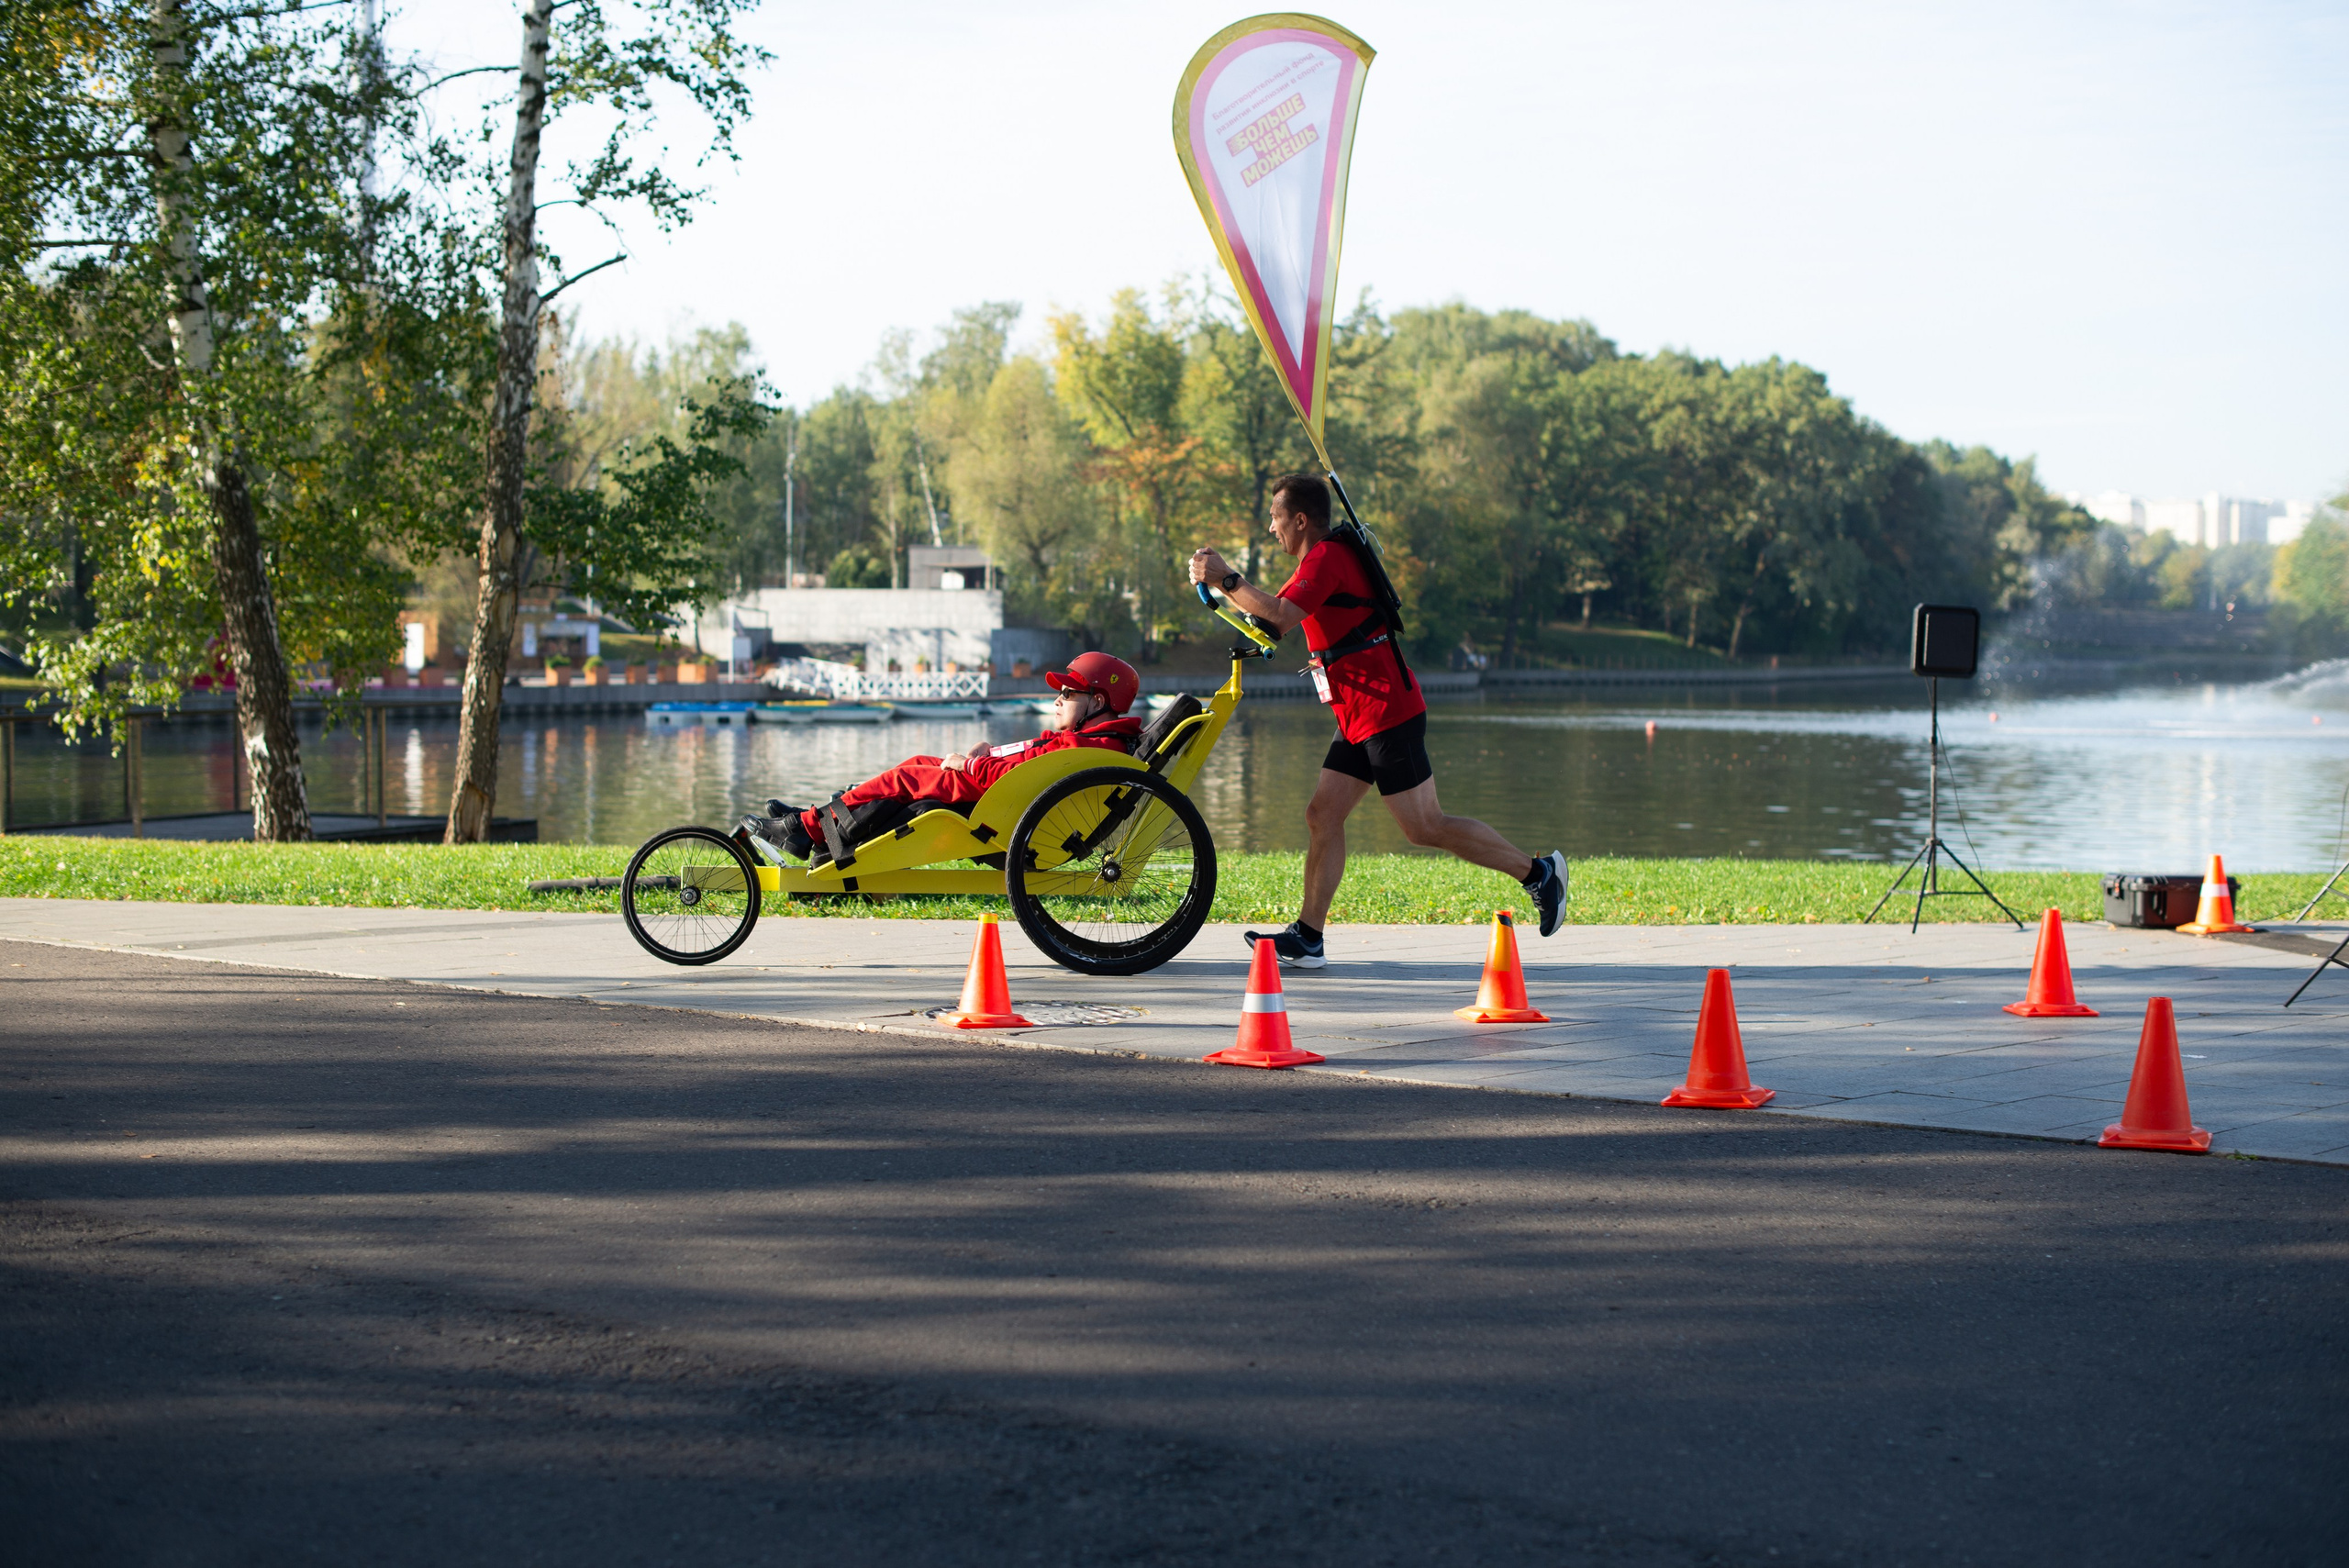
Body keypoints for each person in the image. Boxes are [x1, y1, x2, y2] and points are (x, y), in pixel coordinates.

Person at [1188, 473, 1567, 967]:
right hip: (1356, 713)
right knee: (1322, 814)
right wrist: (1217, 589)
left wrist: (1227, 578)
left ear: (1300, 520)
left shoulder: (1329, 558)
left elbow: (1279, 616)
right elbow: (1269, 621)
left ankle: (1538, 873)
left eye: (1275, 518)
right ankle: (1308, 936)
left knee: (1424, 826)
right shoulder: (1315, 563)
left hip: (1387, 710)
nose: (1270, 528)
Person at [741, 651, 1143, 863]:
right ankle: (819, 826)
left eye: (1069, 694)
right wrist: (988, 753)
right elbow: (1032, 759)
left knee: (906, 779)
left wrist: (969, 766)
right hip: (1006, 796)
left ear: (1098, 701)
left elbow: (1027, 772)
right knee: (917, 762)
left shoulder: (1089, 745)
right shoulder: (1092, 740)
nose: (1058, 699)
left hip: (1000, 803)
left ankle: (804, 827)